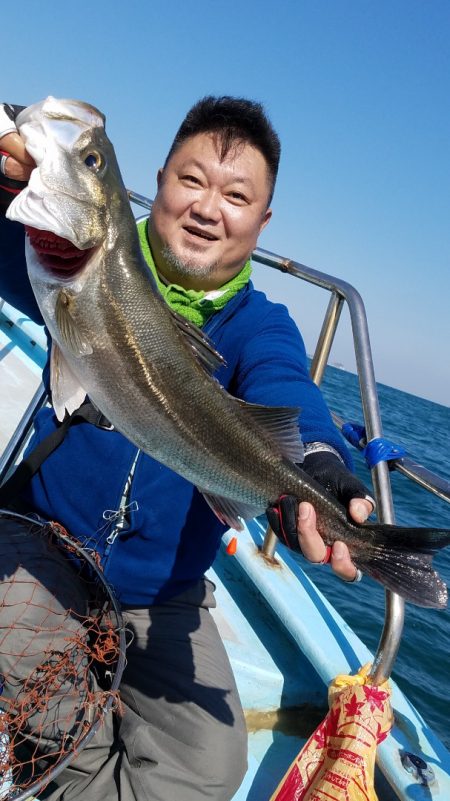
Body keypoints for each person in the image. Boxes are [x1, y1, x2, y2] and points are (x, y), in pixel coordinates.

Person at [0, 96, 373, 801]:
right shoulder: (76, 257)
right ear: (161, 178)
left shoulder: (258, 325)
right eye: (192, 180)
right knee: (56, 721)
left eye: (237, 195)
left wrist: (321, 467)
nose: (208, 207)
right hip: (39, 545)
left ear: (261, 223)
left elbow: (289, 389)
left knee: (210, 767)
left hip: (163, 597)